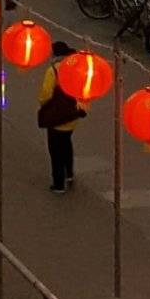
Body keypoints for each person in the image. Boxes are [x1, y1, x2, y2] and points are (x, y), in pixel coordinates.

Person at [37, 41, 85, 191]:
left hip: (57, 117)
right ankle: (69, 173)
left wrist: (43, 105)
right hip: (72, 115)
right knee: (66, 144)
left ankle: (58, 183)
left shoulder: (53, 71)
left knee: (55, 150)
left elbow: (45, 95)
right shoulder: (75, 68)